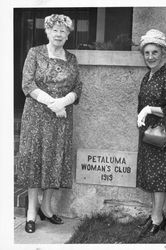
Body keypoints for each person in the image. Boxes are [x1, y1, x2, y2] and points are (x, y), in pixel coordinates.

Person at [17, 14, 82, 233]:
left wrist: (63, 102)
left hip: (61, 118)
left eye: (63, 31)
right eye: (55, 29)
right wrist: (52, 102)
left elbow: (78, 87)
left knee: (55, 159)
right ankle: (31, 213)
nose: (59, 34)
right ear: (47, 31)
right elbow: (27, 83)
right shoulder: (34, 53)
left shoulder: (71, 58)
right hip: (36, 116)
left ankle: (47, 208)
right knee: (35, 158)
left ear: (68, 35)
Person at [136, 29, 166, 237]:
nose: (150, 57)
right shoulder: (149, 75)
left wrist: (148, 110)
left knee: (159, 175)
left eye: (155, 52)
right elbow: (142, 103)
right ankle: (157, 214)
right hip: (148, 131)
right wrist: (141, 115)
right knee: (151, 174)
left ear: (163, 53)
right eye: (147, 53)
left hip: (162, 132)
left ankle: (157, 218)